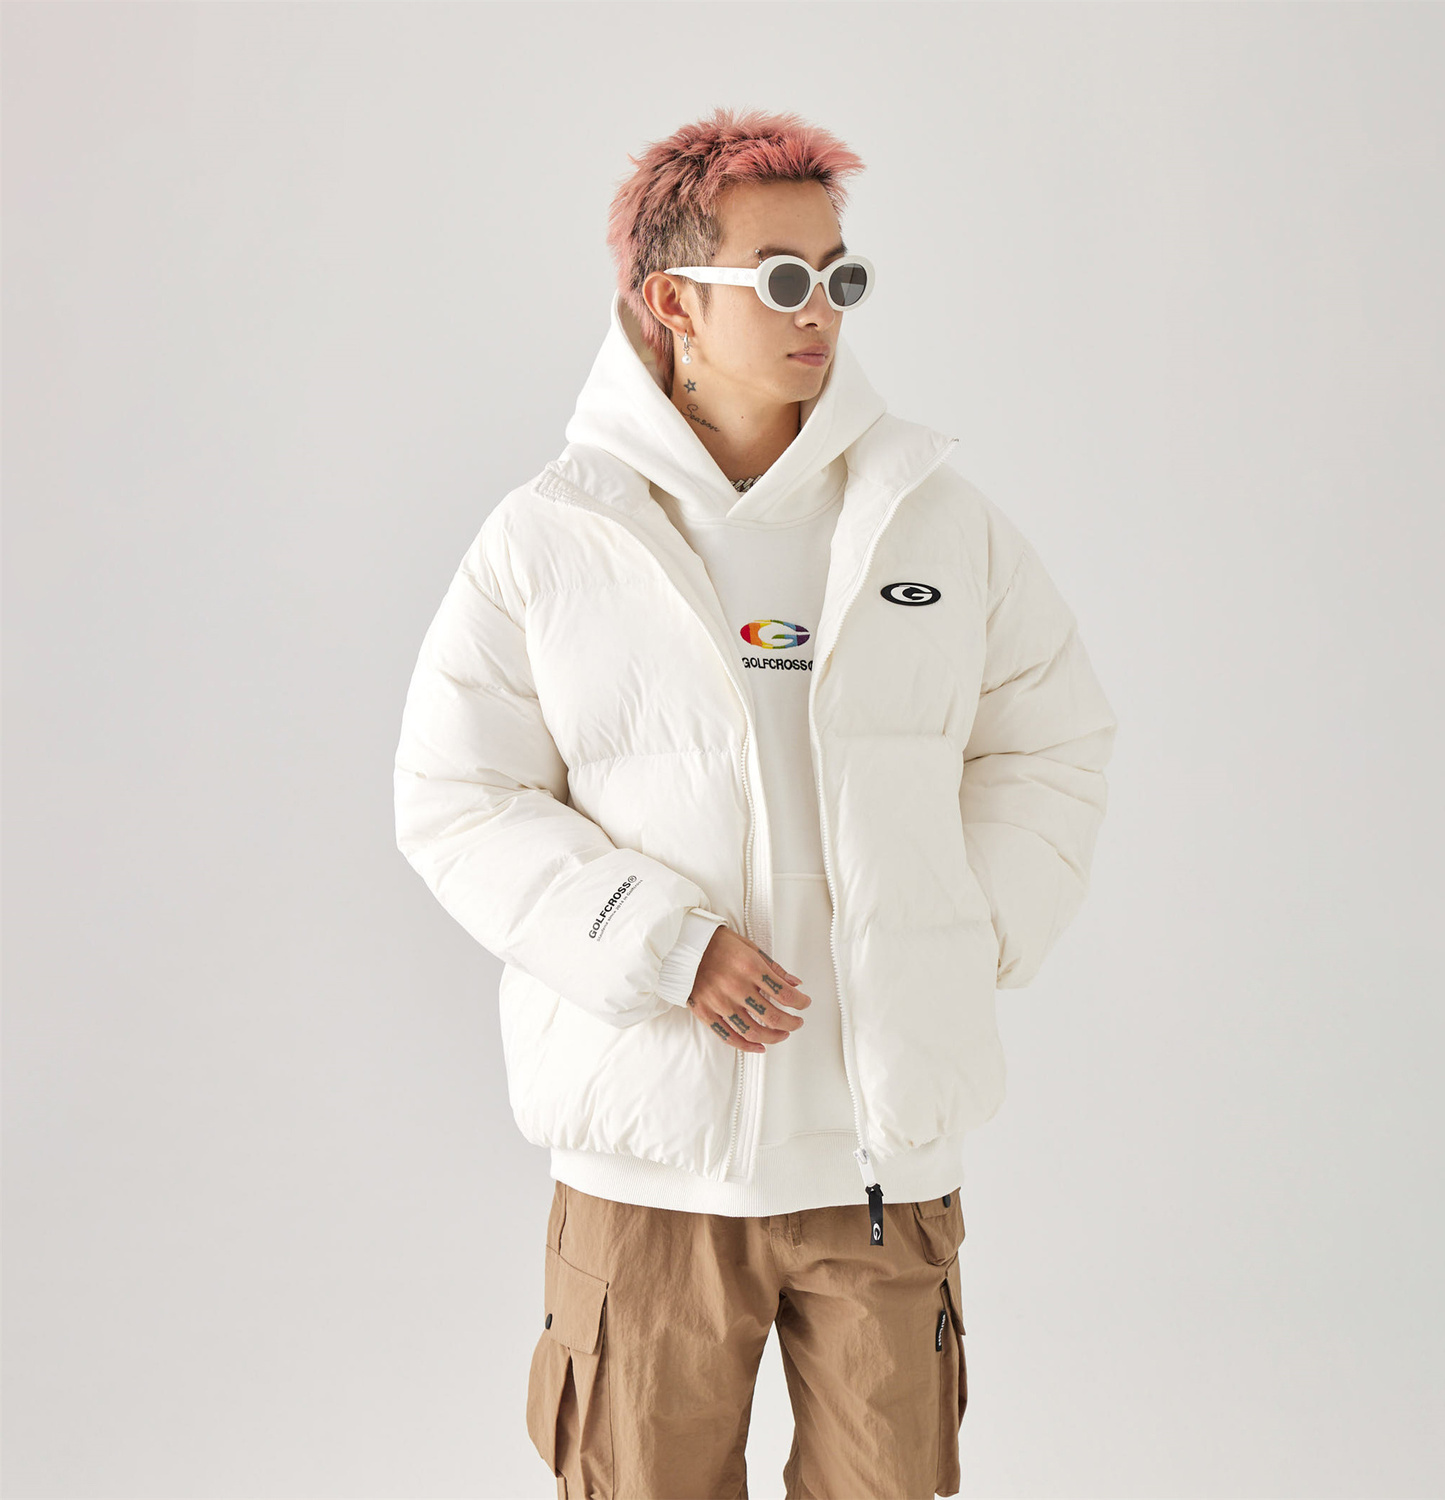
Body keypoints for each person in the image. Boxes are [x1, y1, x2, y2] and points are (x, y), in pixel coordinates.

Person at [393, 106, 1117, 1500]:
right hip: (653, 1171)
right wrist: (655, 941)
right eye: (783, 278)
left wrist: (958, 930)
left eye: (841, 275)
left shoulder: (934, 518)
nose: (820, 311)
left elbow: (1054, 740)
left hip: (881, 1168)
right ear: (672, 301)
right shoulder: (552, 537)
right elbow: (457, 795)